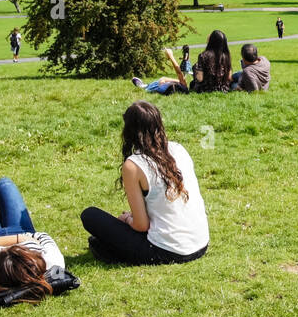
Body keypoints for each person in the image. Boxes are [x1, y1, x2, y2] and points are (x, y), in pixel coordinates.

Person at [81, 101, 210, 265]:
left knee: (90, 215)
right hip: (200, 242)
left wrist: (127, 219)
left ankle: (109, 251)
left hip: (168, 251)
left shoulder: (133, 165)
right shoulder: (178, 148)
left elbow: (141, 225)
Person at [0, 168, 66, 308]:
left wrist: (18, 240)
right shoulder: (52, 265)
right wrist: (19, 237)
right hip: (22, 231)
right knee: (5, 185)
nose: (6, 248)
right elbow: (44, 237)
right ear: (34, 262)